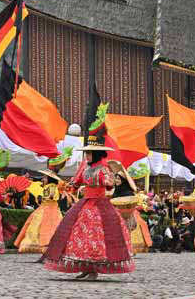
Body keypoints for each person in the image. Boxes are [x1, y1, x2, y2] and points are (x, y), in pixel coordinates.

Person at [43, 119, 134, 280]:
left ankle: (94, 268)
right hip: (85, 204)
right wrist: (71, 184)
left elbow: (110, 184)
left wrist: (109, 177)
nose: (87, 155)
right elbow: (77, 182)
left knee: (96, 235)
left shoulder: (103, 168)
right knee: (77, 232)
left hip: (100, 205)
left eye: (90, 153)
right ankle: (85, 266)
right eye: (87, 152)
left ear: (97, 154)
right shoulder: (86, 168)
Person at [15, 170, 64, 254]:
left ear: (50, 179)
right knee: (41, 227)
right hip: (46, 208)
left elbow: (51, 197)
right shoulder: (48, 186)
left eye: (45, 177)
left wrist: (43, 198)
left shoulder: (52, 186)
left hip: (50, 210)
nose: (43, 179)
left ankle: (46, 246)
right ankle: (45, 246)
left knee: (46, 227)